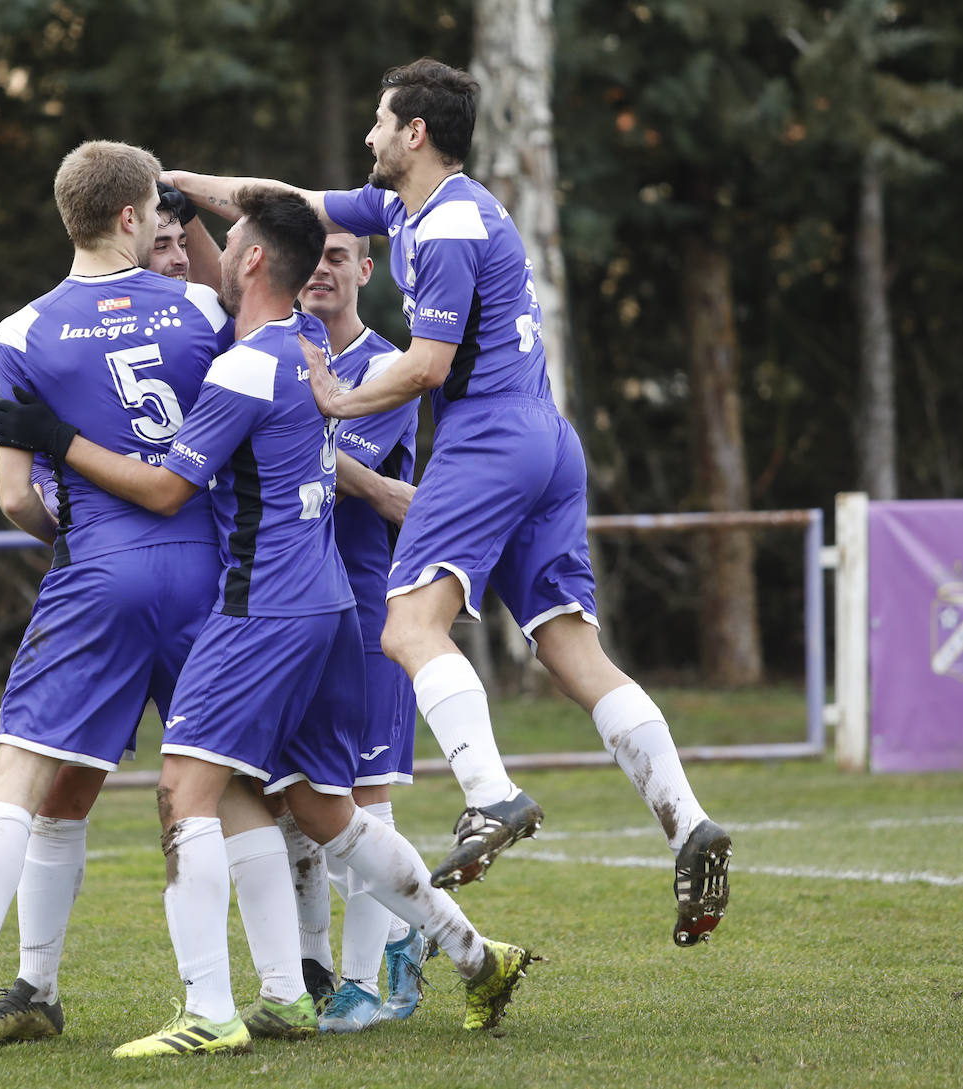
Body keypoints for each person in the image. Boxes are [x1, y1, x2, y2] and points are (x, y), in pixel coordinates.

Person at [163, 57, 731, 947]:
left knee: (405, 627)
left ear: (415, 133)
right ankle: (688, 819)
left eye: (381, 122)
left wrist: (336, 399)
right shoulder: (408, 208)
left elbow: (427, 368)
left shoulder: (453, 224)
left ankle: (489, 794)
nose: (369, 138)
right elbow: (285, 199)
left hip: (491, 437)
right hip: (546, 438)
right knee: (570, 645)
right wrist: (180, 184)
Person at [0, 187, 536, 1057]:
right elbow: (244, 289)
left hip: (262, 607)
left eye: (223, 243)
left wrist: (56, 435)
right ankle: (476, 953)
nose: (195, 257)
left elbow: (168, 488)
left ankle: (208, 1008)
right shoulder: (308, 343)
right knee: (322, 807)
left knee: (184, 790)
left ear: (248, 262)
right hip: (321, 599)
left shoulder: (245, 367)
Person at [0, 140, 234, 1056]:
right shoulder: (201, 305)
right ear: (137, 217)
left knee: (27, 778)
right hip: (209, 568)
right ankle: (284, 983)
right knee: (238, 791)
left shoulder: (21, 331)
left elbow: (17, 496)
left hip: (99, 568)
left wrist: (88, 539)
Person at [270, 232, 432, 1032]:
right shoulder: (272, 350)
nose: (322, 269)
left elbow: (321, 457)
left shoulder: (389, 367)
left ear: (367, 271)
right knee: (291, 802)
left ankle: (370, 977)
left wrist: (300, 439)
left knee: (364, 798)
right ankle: (319, 964)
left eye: (339, 255)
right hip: (283, 611)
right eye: (311, 257)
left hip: (366, 609)